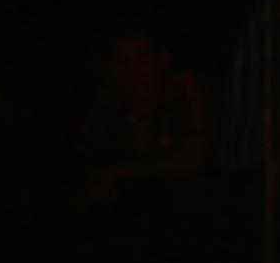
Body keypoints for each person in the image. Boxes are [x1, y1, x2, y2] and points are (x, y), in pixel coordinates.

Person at [78, 25, 206, 185]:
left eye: (142, 59)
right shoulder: (106, 108)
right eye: (121, 61)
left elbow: (191, 162)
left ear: (162, 60)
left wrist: (117, 173)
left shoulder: (180, 91)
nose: (132, 71)